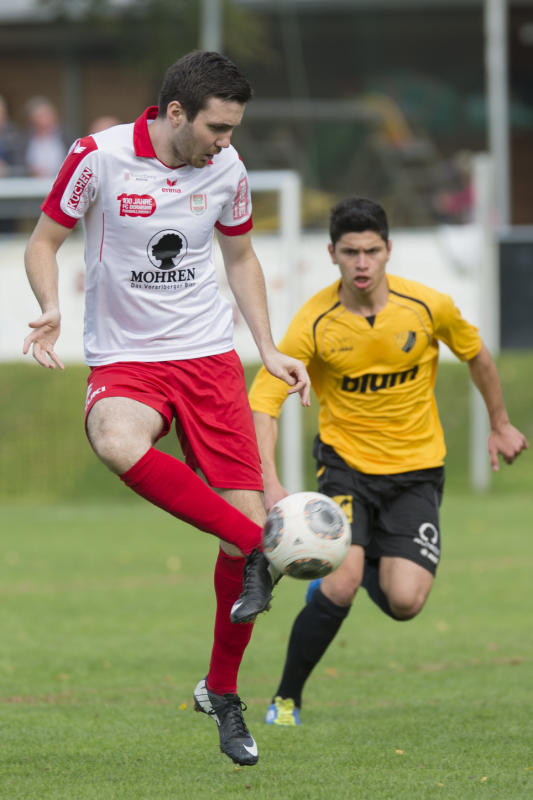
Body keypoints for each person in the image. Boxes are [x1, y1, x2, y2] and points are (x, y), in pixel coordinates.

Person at [22, 50, 310, 765]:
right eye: (217, 127)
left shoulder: (228, 169)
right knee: (115, 438)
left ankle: (222, 692)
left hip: (209, 359)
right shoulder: (97, 158)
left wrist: (267, 348)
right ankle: (259, 546)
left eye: (233, 129)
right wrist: (51, 306)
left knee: (236, 535)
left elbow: (240, 258)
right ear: (175, 113)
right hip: (127, 358)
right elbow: (44, 242)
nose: (226, 142)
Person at [248, 196, 528, 726]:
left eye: (371, 251)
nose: (361, 263)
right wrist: (270, 481)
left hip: (417, 472)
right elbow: (263, 401)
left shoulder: (426, 306)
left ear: (389, 250)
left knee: (406, 602)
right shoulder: (314, 321)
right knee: (340, 583)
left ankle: (362, 556)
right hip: (346, 467)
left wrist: (499, 422)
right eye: (350, 252)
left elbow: (475, 353)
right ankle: (285, 700)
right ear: (332, 253)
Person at [24, 96, 67, 178]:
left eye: (46, 116)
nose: (43, 121)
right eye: (39, 117)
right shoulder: (24, 140)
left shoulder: (66, 137)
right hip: (32, 182)